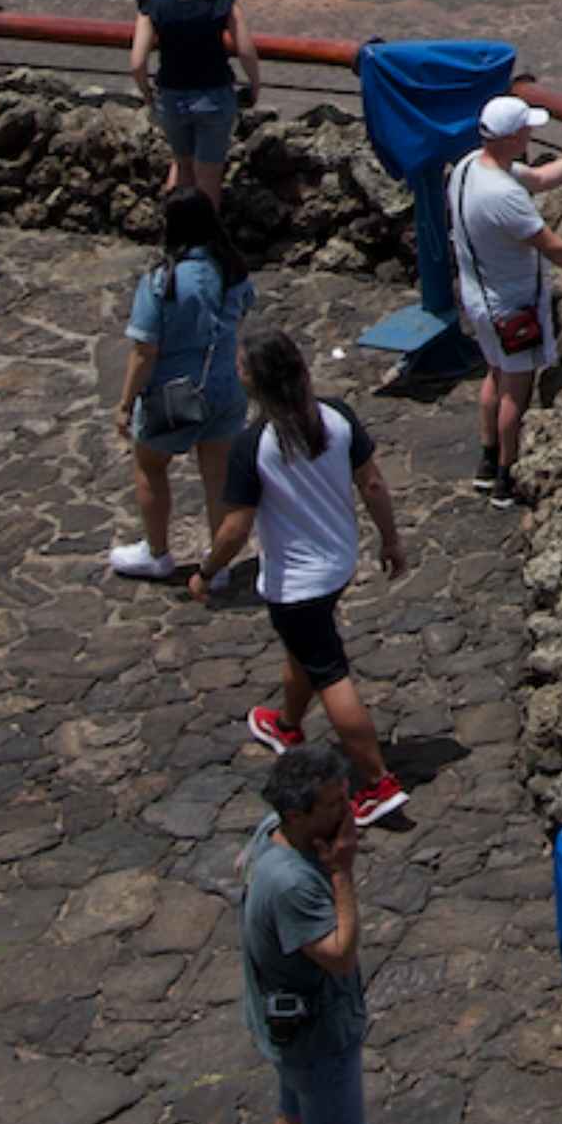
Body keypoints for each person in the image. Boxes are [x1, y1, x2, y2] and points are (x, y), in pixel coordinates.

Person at [215, 335, 410, 827]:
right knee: (305, 647)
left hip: (295, 584)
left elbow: (235, 528)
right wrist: (390, 540)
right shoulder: (337, 417)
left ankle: (377, 781)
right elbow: (372, 483)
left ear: (253, 382)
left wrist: (206, 570)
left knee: (330, 672)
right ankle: (286, 725)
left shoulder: (252, 445)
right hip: (338, 566)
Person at [240, 741, 396, 1124]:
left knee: (292, 1118)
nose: (348, 811)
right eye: (334, 804)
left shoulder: (270, 837)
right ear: (300, 813)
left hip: (282, 1027)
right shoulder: (297, 882)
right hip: (317, 1034)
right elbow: (339, 954)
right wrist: (343, 875)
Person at [443, 97, 562, 502]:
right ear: (513, 136)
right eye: (527, 129)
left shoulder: (469, 167)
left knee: (495, 374)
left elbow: (538, 179)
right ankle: (505, 476)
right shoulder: (503, 196)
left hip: (478, 297)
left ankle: (487, 461)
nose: (531, 134)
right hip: (512, 308)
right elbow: (554, 247)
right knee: (515, 392)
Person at [106, 186, 256, 588]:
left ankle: (157, 553)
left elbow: (144, 352)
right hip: (225, 387)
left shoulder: (161, 281)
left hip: (174, 395)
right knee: (218, 477)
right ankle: (219, 563)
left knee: (150, 465)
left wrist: (125, 404)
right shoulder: (233, 271)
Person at [128, 0, 245, 192]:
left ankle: (175, 227)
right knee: (208, 181)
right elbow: (246, 50)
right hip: (215, 96)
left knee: (182, 168)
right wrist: (255, 86)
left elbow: (137, 63)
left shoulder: (153, 6)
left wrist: (148, 95)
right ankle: (204, 231)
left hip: (172, 97)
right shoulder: (222, 0)